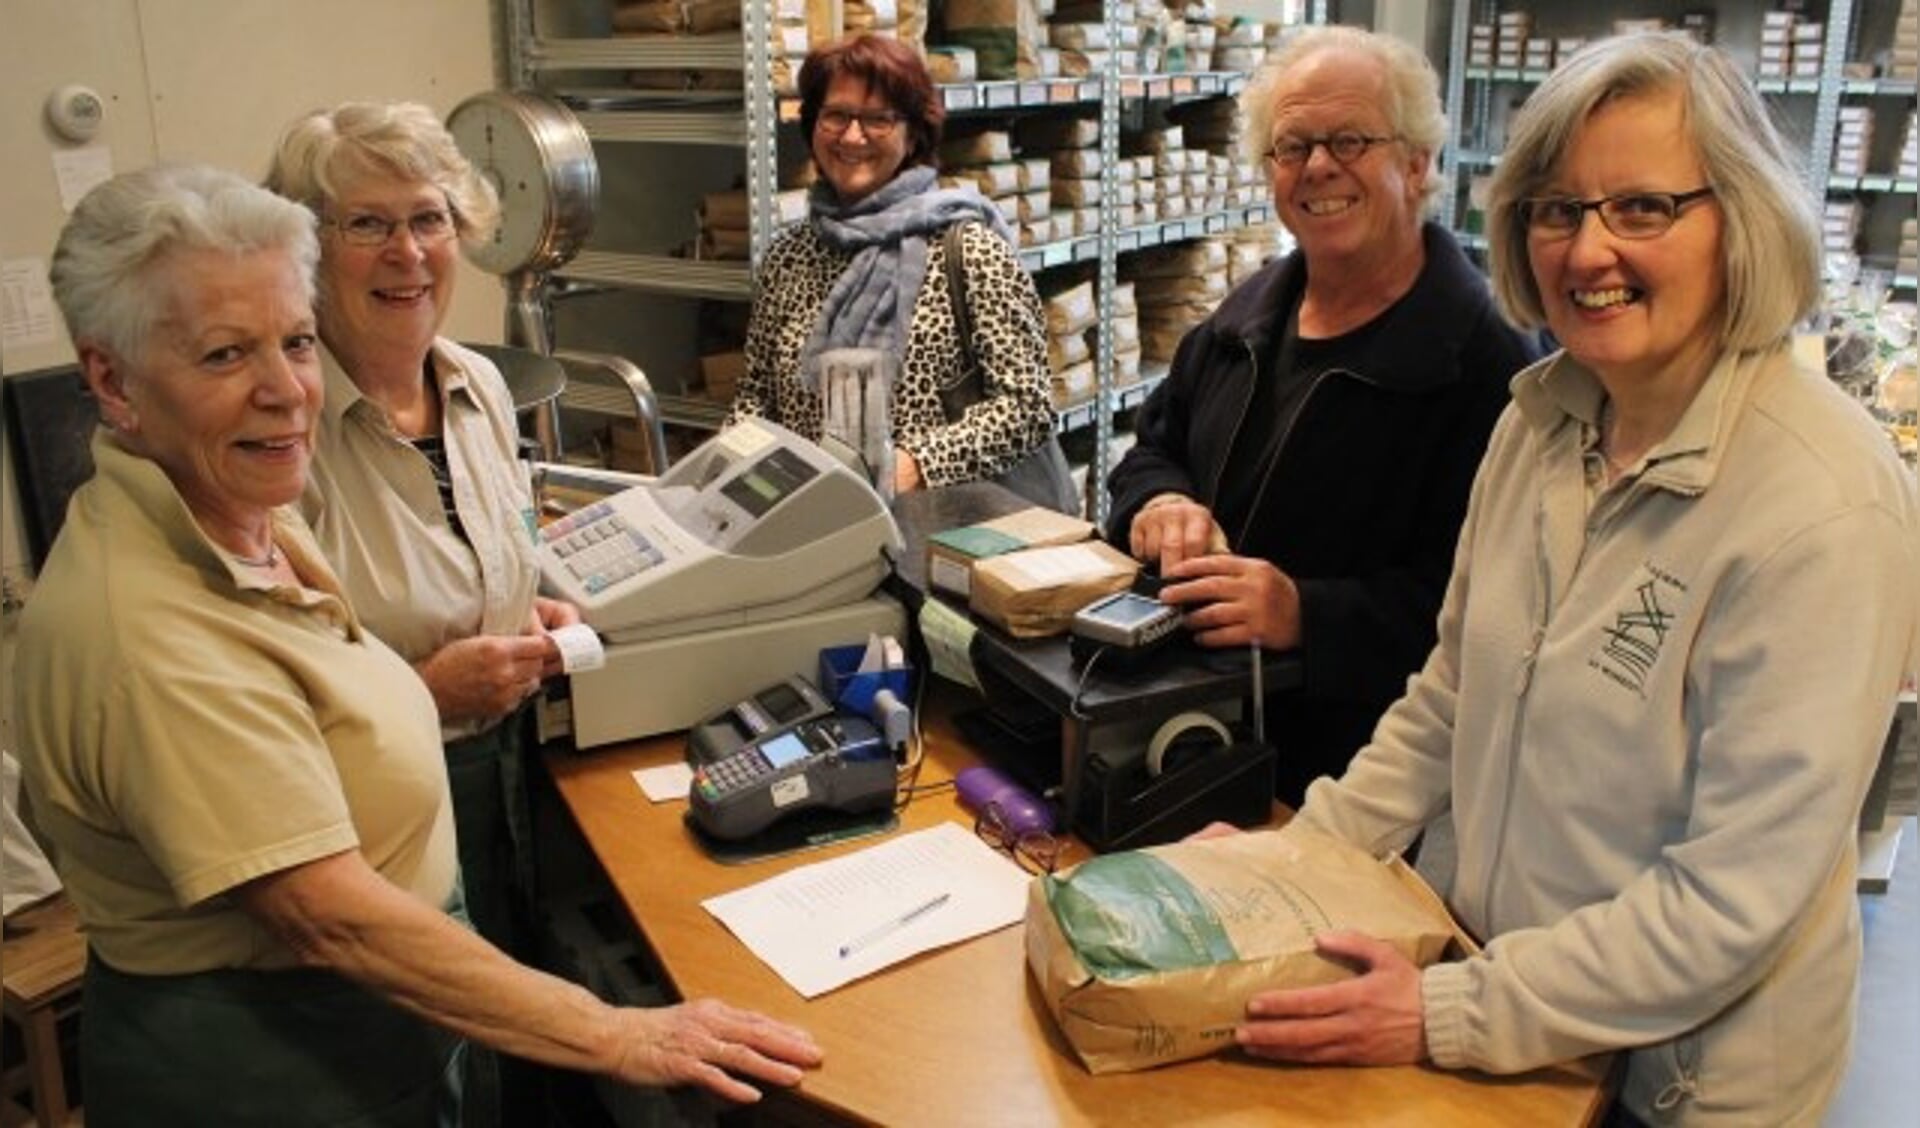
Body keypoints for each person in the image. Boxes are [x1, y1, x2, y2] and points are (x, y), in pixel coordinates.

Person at [18, 164, 820, 1127]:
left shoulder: (238, 511)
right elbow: (329, 917)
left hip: (367, 1028)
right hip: (271, 1067)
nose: (287, 393)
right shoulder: (149, 636)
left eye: (297, 342)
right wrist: (621, 1035)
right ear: (112, 377)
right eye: (226, 356)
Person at [1218, 34, 1920, 1128]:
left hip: (1675, 1081)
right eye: (1555, 209)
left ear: (1740, 218)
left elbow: (1730, 899)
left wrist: (1444, 1012)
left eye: (1642, 208)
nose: (1588, 251)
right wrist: (1298, 860)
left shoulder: (1821, 505)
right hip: (1499, 1008)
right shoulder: (1541, 420)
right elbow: (1450, 698)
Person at [1105, 25, 1542, 806]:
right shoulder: (1246, 315)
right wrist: (1158, 501)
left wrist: (1307, 612)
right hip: (1188, 727)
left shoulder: (1483, 363)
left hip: (1349, 774)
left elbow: (1494, 614)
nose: (1317, 168)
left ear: (1417, 161)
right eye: (1292, 146)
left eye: (1349, 139)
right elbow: (1153, 447)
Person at [265, 102, 576, 1124]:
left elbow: (497, 546)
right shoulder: (284, 435)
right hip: (382, 819)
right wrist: (426, 691)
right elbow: (270, 695)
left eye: (430, 218)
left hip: (518, 784)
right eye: (367, 225)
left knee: (530, 1040)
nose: (408, 253)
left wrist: (536, 602)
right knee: (432, 1073)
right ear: (307, 247)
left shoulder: (478, 384)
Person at [727, 34, 1057, 498]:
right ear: (812, 125)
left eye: (878, 119)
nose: (852, 136)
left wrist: (909, 469)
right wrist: (727, 471)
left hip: (944, 538)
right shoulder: (789, 257)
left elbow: (1028, 407)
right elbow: (756, 396)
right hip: (814, 528)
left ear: (913, 134)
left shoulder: (968, 250)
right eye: (836, 115)